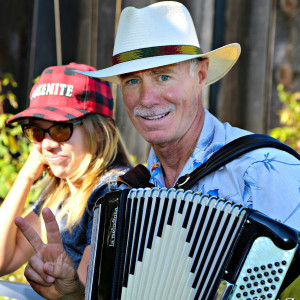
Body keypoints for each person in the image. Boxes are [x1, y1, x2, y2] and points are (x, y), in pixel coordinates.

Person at [14, 2, 300, 299]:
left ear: (200, 75)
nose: (146, 99)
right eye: (132, 81)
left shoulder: (268, 170)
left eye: (163, 76)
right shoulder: (124, 196)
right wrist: (71, 293)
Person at [0, 63, 132, 295]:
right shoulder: (61, 190)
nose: (47, 144)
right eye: (36, 132)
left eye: (61, 129)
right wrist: (26, 176)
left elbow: (85, 293)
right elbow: (2, 262)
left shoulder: (110, 192)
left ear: (99, 133)